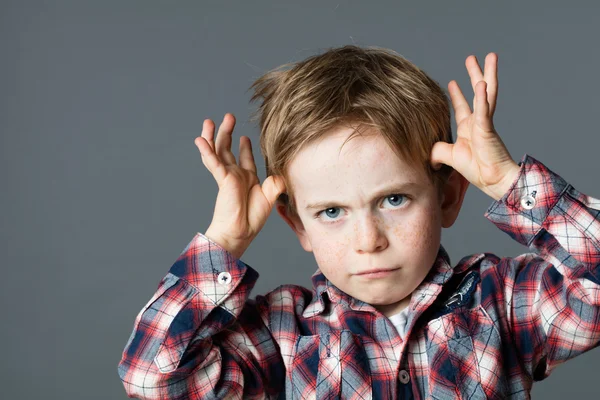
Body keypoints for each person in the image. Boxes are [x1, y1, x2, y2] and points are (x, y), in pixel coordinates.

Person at [117, 45, 600, 399]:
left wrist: (510, 183)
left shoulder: (500, 302)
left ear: (448, 196)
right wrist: (225, 242)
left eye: (393, 199)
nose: (368, 240)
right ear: (298, 225)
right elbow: (151, 378)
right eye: (331, 212)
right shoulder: (283, 336)